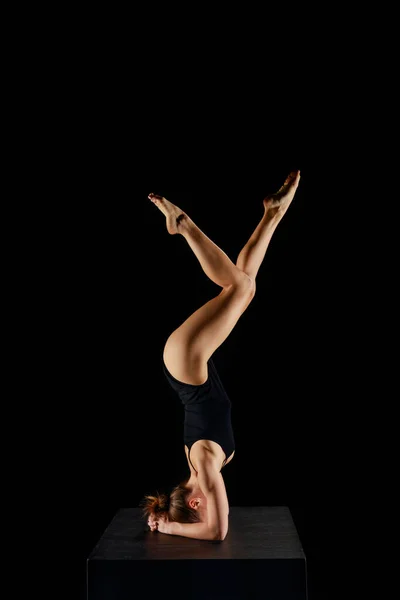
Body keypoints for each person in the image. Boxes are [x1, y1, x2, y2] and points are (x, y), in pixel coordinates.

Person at [139, 170, 301, 541]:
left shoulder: (205, 467)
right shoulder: (198, 468)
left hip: (186, 360)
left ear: (196, 503)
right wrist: (161, 518)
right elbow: (199, 511)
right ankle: (272, 214)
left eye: (203, 506)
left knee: (239, 287)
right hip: (187, 361)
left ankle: (182, 225)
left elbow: (217, 532)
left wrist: (169, 526)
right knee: (245, 288)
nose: (217, 503)